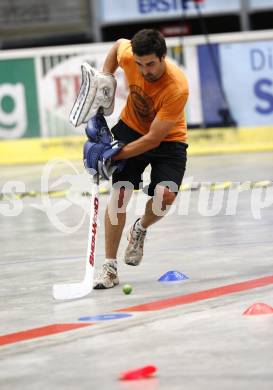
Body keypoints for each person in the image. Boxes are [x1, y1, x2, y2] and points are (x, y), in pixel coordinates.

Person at [93, 29, 189, 289]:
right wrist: (105, 80)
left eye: (150, 64)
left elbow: (153, 140)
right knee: (121, 193)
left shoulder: (177, 86)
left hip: (167, 140)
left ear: (163, 57)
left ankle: (140, 228)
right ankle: (109, 268)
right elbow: (116, 46)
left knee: (165, 196)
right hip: (130, 127)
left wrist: (113, 155)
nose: (145, 70)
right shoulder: (128, 54)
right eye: (139, 64)